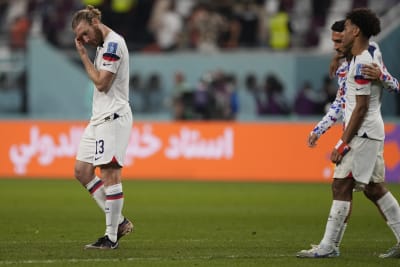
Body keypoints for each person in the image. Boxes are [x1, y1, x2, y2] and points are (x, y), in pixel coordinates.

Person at [297, 8, 400, 258]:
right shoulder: (354, 60)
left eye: (344, 31)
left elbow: (360, 107)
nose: (339, 39)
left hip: (362, 133)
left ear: (354, 31)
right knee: (375, 188)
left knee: (341, 185)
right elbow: (346, 103)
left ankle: (329, 246)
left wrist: (342, 143)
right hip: (369, 131)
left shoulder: (365, 59)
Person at [71, 5, 134, 250]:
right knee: (82, 171)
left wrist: (83, 56)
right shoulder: (101, 46)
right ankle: (119, 222)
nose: (84, 41)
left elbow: (101, 83)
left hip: (113, 118)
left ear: (95, 22)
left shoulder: (112, 45)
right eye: (80, 38)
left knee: (110, 174)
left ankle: (111, 237)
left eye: (85, 34)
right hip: (98, 118)